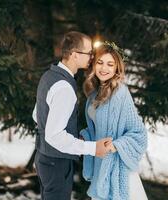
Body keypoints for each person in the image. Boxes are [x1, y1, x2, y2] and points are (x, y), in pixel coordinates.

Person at [32, 31, 112, 200]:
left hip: (45, 158)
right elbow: (54, 136)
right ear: (75, 55)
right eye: (88, 53)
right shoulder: (64, 88)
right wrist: (92, 148)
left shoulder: (49, 76)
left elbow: (36, 115)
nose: (91, 57)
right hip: (56, 163)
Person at [80, 41, 148, 200]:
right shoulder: (93, 95)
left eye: (110, 64)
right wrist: (85, 136)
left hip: (117, 168)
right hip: (100, 165)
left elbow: (139, 134)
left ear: (117, 68)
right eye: (100, 62)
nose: (104, 68)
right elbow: (95, 130)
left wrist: (116, 145)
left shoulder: (120, 94)